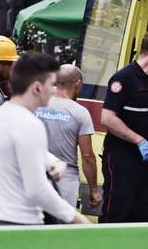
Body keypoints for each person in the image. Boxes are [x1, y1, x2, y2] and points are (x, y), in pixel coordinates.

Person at [0, 53, 89, 226]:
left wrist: (52, 161)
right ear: (37, 88)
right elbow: (37, 190)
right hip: (21, 225)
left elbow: (17, 150)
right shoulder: (30, 124)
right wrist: (77, 219)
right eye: (52, 84)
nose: (54, 90)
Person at [99, 28, 148, 223]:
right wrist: (139, 140)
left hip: (145, 164)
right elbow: (107, 118)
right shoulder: (124, 78)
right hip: (121, 159)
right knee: (117, 212)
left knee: (141, 215)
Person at [35, 63, 100, 211]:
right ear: (78, 84)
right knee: (60, 230)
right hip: (65, 179)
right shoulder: (80, 113)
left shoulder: (37, 104)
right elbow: (87, 156)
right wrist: (94, 190)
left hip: (35, 174)